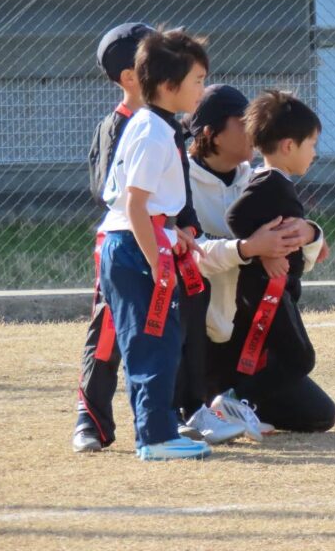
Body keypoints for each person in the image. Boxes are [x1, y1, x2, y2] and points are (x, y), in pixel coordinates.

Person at [181, 84, 327, 440]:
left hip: (249, 327)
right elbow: (189, 255)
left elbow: (307, 254)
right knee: (298, 358)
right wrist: (248, 248)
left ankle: (237, 404)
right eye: (240, 119)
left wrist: (310, 233)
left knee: (319, 415)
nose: (253, 127)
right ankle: (207, 403)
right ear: (212, 133)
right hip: (205, 330)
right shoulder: (178, 179)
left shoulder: (259, 175)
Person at [97, 28, 211, 460]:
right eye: (197, 80)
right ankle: (156, 437)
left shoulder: (155, 125)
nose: (202, 89)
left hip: (139, 241)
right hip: (134, 248)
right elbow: (135, 204)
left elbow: (149, 206)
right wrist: (158, 259)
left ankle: (158, 431)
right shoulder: (152, 132)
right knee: (152, 343)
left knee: (159, 341)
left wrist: (173, 234)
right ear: (167, 85)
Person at [219, 90, 335, 434]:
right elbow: (235, 217)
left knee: (286, 357)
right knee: (300, 357)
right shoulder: (270, 182)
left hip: (278, 290)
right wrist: (264, 251)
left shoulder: (275, 182)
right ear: (288, 146)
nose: (314, 153)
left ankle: (249, 406)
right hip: (266, 292)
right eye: (311, 144)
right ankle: (235, 401)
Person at [73, 22, 151, 453]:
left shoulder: (170, 122)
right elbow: (108, 189)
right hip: (123, 241)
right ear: (130, 77)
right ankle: (90, 417)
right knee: (109, 329)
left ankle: (179, 411)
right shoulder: (116, 125)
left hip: (167, 240)